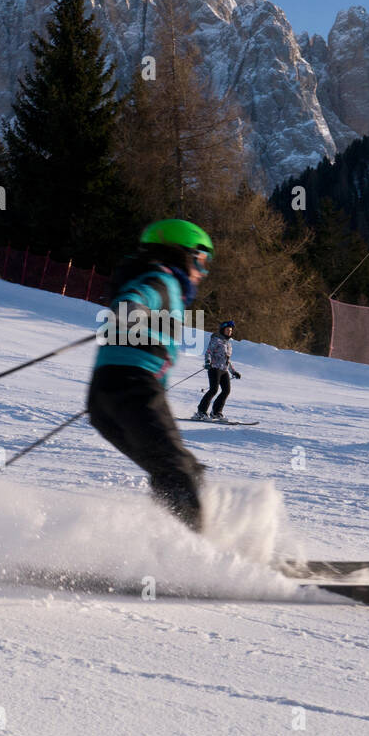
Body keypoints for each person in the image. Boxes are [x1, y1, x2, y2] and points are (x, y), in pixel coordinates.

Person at [87, 219, 213, 531]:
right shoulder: (162, 280)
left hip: (104, 400)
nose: (203, 272)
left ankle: (169, 541)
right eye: (203, 261)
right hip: (135, 392)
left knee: (181, 469)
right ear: (184, 255)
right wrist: (131, 307)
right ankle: (197, 558)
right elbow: (137, 295)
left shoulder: (157, 280)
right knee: (178, 472)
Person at [193, 320, 241, 421]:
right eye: (227, 330)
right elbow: (208, 352)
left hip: (224, 370)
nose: (229, 332)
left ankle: (216, 412)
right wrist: (208, 362)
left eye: (231, 330)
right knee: (213, 390)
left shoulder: (228, 343)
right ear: (223, 330)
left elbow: (227, 359)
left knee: (226, 391)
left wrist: (233, 371)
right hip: (214, 368)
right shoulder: (216, 340)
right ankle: (201, 412)